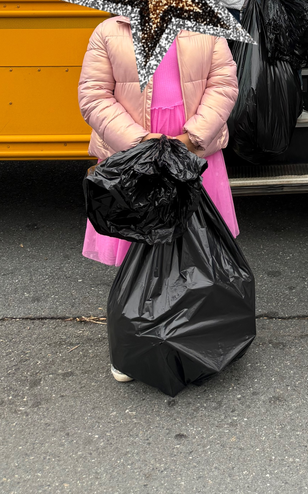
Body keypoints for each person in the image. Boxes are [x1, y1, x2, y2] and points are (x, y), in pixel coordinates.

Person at [78, 19, 239, 381]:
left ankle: (194, 334)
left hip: (194, 154)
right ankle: (133, 342)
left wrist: (191, 138)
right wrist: (142, 144)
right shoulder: (109, 32)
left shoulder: (207, 27)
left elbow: (224, 84)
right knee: (136, 254)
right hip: (134, 158)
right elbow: (93, 94)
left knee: (198, 253)